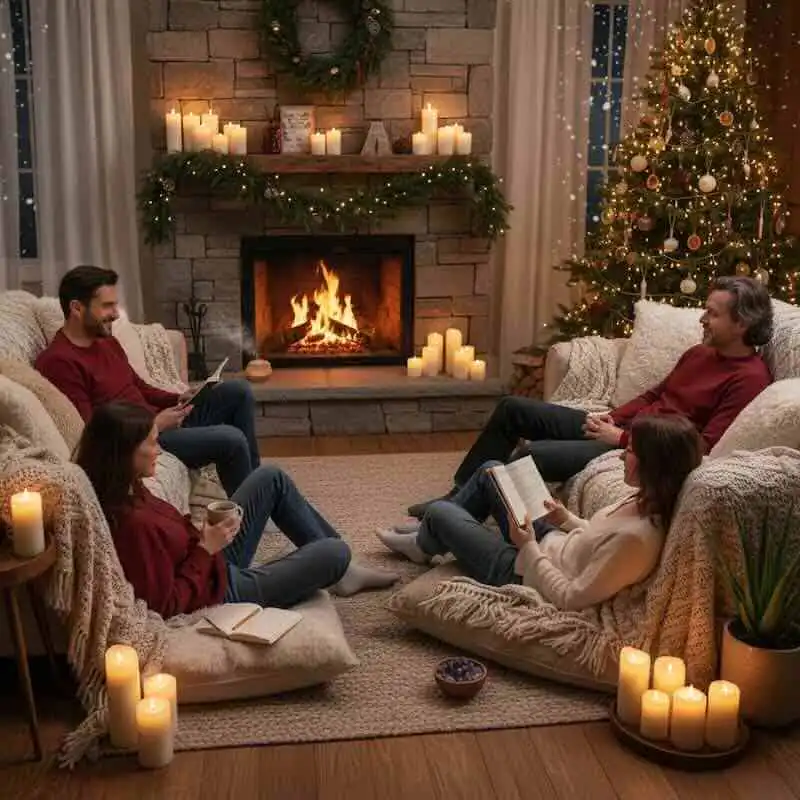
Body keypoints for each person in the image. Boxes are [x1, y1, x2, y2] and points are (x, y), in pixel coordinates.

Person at [407, 275, 773, 518]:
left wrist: (624, 440)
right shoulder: (701, 353)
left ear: (742, 324)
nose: (703, 320)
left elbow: (702, 445)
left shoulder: (749, 379)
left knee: (530, 455)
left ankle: (454, 519)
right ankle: (455, 497)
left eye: (712, 313)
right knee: (512, 409)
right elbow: (657, 392)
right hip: (623, 429)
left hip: (643, 446)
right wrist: (614, 417)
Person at [75, 402, 399, 618]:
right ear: (123, 453)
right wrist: (205, 548)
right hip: (221, 592)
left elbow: (172, 547)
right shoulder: (133, 527)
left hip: (212, 563)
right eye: (151, 442)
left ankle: (345, 573)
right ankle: (339, 568)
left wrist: (203, 535)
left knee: (270, 478)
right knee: (334, 551)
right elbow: (167, 606)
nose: (159, 450)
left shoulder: (130, 488)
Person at [378, 414, 703, 611]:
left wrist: (528, 545)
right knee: (493, 469)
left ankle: (425, 541)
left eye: (629, 452)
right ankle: (426, 542)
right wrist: (567, 519)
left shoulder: (637, 540)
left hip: (524, 571)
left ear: (654, 464)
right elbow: (597, 539)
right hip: (553, 542)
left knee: (439, 512)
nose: (619, 456)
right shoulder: (643, 499)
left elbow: (570, 597)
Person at [36, 265, 260, 497]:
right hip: (143, 440)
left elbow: (137, 386)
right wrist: (154, 425)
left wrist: (179, 397)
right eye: (107, 306)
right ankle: (246, 513)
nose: (115, 313)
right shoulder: (59, 362)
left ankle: (257, 490)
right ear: (77, 308)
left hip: (158, 422)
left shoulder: (105, 341)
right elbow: (94, 433)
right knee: (231, 439)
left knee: (238, 391)